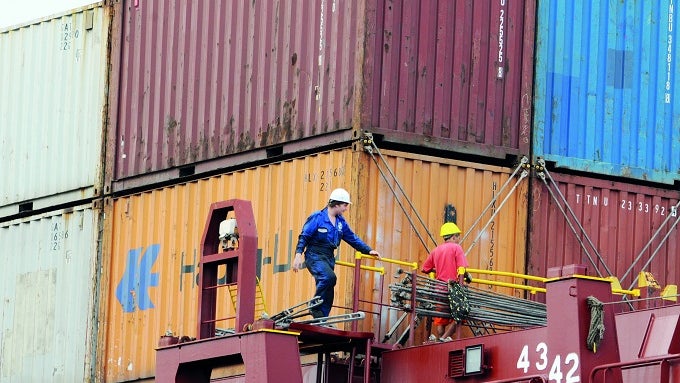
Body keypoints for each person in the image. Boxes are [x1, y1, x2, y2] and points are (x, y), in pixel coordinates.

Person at [292, 188, 381, 318]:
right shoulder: (317, 218)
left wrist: (368, 250)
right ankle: (314, 306)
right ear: (336, 204)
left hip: (328, 257)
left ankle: (322, 316)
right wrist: (298, 254)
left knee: (329, 286)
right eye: (345, 205)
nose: (346, 208)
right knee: (329, 277)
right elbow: (304, 236)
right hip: (314, 255)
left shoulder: (340, 222)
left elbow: (352, 238)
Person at [421, 222, 469, 342]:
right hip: (452, 288)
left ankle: (440, 338)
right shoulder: (456, 248)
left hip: (439, 288)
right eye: (458, 237)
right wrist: (465, 280)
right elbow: (462, 268)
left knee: (441, 319)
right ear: (453, 237)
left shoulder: (436, 250)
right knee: (460, 315)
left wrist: (438, 269)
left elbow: (424, 268)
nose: (459, 239)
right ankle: (443, 338)